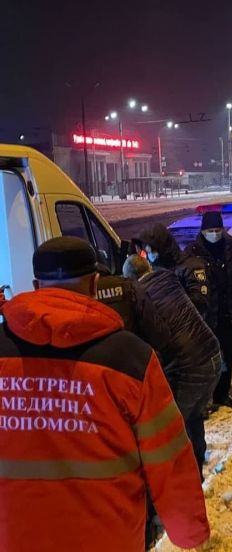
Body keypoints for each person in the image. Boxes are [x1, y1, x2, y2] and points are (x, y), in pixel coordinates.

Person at [0, 236, 209, 552]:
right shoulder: (132, 360)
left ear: (34, 283)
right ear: (95, 284)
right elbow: (169, 457)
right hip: (108, 539)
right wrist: (189, 531)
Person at [122, 254, 222, 473]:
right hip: (213, 354)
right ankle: (197, 464)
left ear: (129, 279)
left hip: (190, 366)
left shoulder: (140, 296)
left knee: (174, 426)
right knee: (193, 414)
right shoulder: (168, 280)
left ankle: (186, 477)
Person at [187, 211, 232, 408]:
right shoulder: (193, 253)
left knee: (227, 355)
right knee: (206, 360)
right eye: (210, 230)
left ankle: (222, 394)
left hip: (226, 315)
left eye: (218, 230)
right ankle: (205, 399)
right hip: (204, 317)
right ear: (203, 231)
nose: (214, 234)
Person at [138, 224, 215, 323]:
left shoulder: (191, 266)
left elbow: (200, 302)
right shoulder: (156, 269)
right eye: (147, 251)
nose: (149, 255)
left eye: (151, 250)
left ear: (161, 248)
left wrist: (167, 304)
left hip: (193, 328)